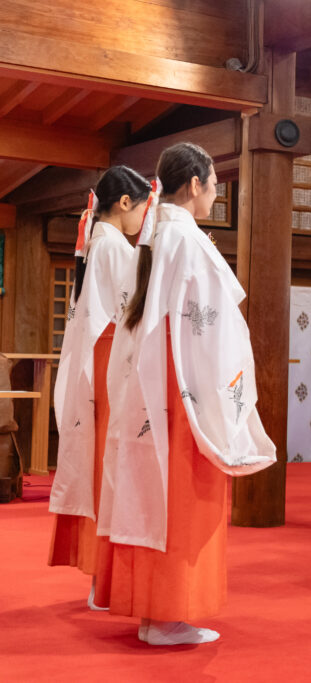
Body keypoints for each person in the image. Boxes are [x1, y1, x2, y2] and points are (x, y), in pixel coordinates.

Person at [98, 142, 276, 646]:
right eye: (215, 185)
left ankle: (155, 613)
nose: (216, 195)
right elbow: (209, 329)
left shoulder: (156, 235)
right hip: (185, 394)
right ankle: (170, 615)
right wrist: (225, 395)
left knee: (153, 502)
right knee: (183, 506)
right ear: (194, 185)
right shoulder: (187, 240)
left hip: (154, 388)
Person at [49, 166, 151, 610]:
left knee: (100, 464)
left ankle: (99, 578)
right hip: (113, 359)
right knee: (113, 465)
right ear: (125, 203)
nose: (142, 220)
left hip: (101, 356)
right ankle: (103, 580)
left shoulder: (100, 243)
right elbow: (142, 302)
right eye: (142, 208)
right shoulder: (113, 247)